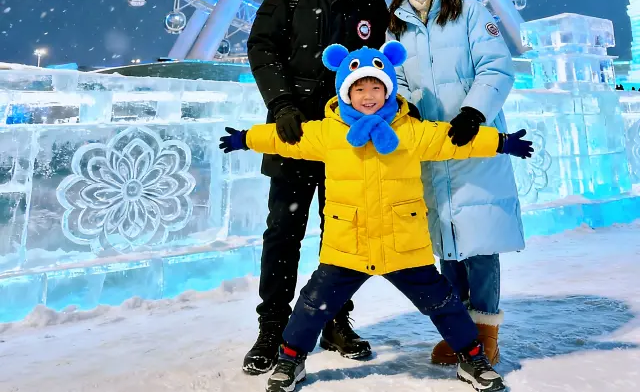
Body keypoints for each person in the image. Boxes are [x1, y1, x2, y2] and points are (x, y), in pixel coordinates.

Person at [220, 41, 533, 392]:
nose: (368, 96)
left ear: (388, 90)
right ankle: (291, 358)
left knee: (444, 303)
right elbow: (288, 139)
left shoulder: (410, 130)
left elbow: (453, 140)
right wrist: (247, 138)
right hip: (348, 244)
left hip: (404, 243)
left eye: (376, 87)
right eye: (359, 88)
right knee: (312, 305)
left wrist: (502, 141)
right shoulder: (328, 131)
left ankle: (472, 357)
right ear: (345, 92)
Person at [244, 0, 389, 374]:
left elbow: (384, 64)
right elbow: (262, 46)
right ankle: (272, 327)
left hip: (350, 136)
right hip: (297, 131)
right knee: (283, 231)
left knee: (343, 233)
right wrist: (282, 103)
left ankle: (334, 320)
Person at [387, 0, 524, 366]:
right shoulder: (397, 23)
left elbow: (496, 67)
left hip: (474, 139)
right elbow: (399, 80)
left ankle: (486, 333)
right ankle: (457, 331)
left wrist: (473, 113)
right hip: (430, 145)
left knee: (480, 243)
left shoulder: (469, 11)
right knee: (446, 243)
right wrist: (404, 109)